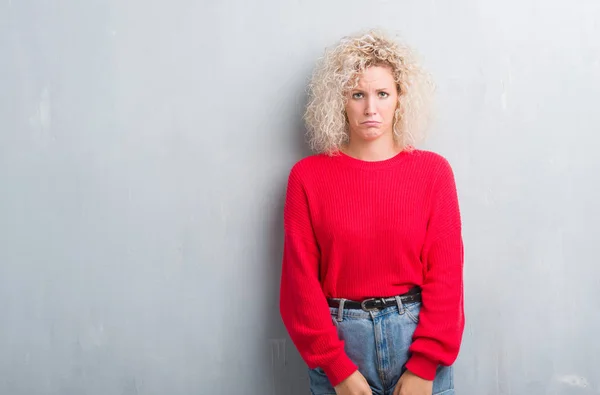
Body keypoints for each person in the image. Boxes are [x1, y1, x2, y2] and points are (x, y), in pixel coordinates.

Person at [279, 29, 464, 395]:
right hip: (342, 345)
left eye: (382, 94)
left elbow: (447, 276)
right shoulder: (308, 177)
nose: (370, 109)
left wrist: (425, 367)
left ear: (400, 99)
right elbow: (299, 285)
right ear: (339, 101)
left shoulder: (433, 172)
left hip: (416, 338)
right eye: (357, 95)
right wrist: (336, 368)